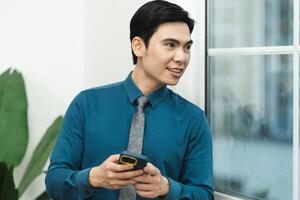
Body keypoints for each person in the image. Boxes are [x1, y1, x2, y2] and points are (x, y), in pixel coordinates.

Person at [45, 0, 214, 199]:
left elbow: (204, 194)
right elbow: (54, 181)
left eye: (187, 47)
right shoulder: (86, 105)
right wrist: (93, 178)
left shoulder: (193, 119)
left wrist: (167, 188)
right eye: (170, 45)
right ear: (138, 46)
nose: (182, 57)